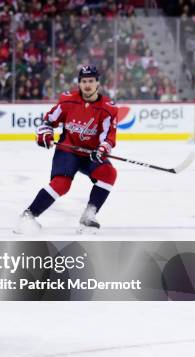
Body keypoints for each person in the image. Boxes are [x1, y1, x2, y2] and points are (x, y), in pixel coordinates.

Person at [15, 65, 118, 234]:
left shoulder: (107, 108)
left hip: (90, 154)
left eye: (91, 81)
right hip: (67, 151)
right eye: (84, 81)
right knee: (61, 184)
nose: (87, 85)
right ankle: (28, 216)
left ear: (98, 83)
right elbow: (48, 121)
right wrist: (45, 134)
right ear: (79, 83)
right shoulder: (68, 101)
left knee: (109, 173)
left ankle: (88, 217)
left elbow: (108, 137)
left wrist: (102, 149)